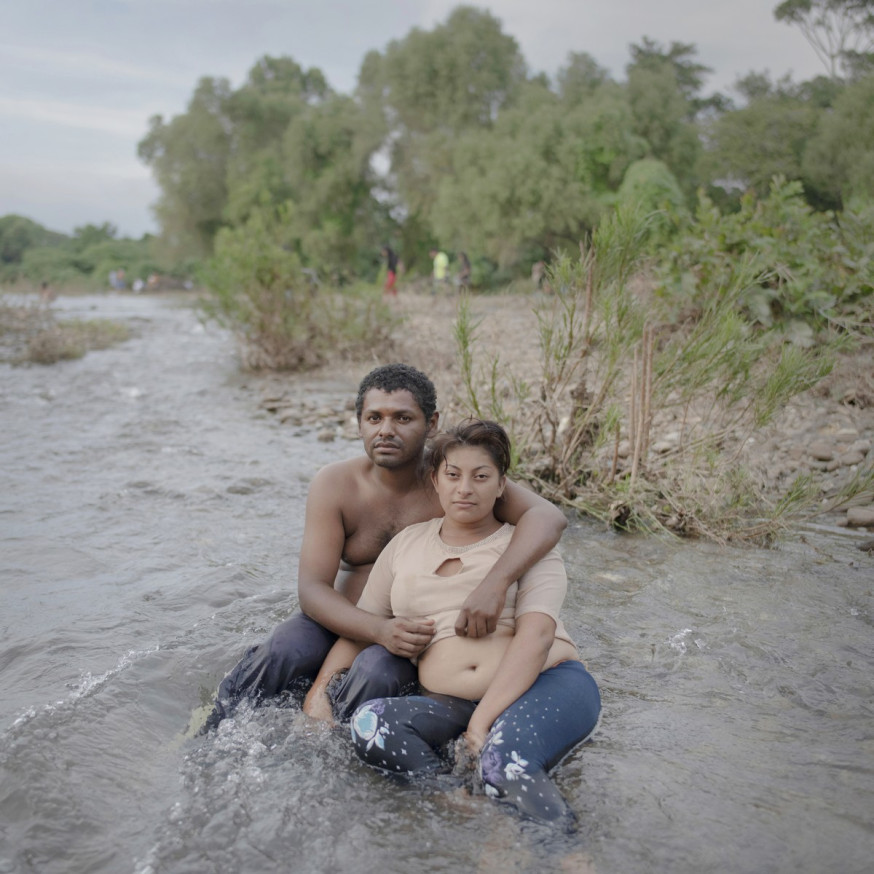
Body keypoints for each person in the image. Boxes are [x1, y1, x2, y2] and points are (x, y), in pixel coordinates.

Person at [202, 365, 567, 731]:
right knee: (284, 648)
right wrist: (377, 629)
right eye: (373, 417)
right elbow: (312, 590)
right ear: (359, 422)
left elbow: (547, 518)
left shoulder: (453, 480)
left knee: (373, 672)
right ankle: (211, 729)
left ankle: (347, 760)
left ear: (432, 423)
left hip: (420, 632)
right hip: (343, 620)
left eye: (403, 418)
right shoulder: (336, 484)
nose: (386, 430)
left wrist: (496, 583)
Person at [304, 420, 601, 828]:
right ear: (435, 481)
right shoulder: (405, 546)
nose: (465, 488)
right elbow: (362, 628)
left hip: (543, 686)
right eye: (453, 475)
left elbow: (537, 637)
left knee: (504, 765)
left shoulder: (524, 546)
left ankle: (567, 854)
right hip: (451, 702)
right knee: (371, 724)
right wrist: (319, 694)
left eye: (481, 477)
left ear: (501, 485)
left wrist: (481, 724)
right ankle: (459, 802)